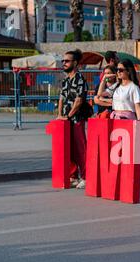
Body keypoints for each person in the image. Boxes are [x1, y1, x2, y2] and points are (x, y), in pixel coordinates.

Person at [56, 49, 89, 189]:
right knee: (67, 149)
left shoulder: (79, 79)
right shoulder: (65, 80)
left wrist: (69, 116)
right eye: (63, 61)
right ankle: (73, 176)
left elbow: (79, 100)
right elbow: (61, 98)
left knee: (80, 149)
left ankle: (87, 177)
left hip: (76, 119)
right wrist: (59, 115)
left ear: (75, 63)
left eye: (67, 61)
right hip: (65, 120)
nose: (64, 63)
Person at [97, 59, 140, 126]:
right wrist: (104, 79)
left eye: (121, 70)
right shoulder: (117, 85)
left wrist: (139, 121)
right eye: (117, 69)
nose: (118, 72)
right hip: (115, 118)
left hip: (127, 119)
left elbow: (137, 106)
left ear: (128, 71)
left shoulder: (134, 87)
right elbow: (100, 94)